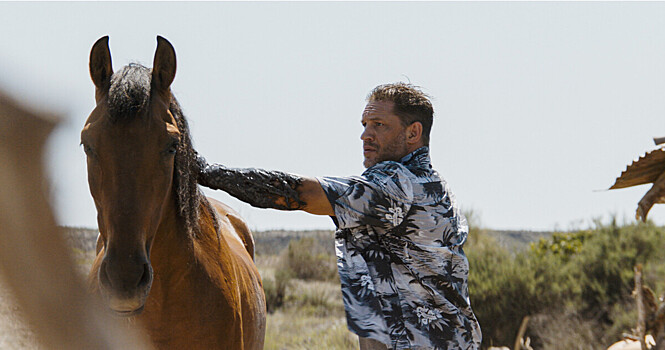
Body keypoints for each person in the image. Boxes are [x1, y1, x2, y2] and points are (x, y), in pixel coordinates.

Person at [197, 83, 481, 350]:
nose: (365, 135)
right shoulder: (432, 185)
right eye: (364, 125)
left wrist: (208, 173)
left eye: (379, 125)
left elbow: (302, 193)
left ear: (412, 133)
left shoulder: (398, 183)